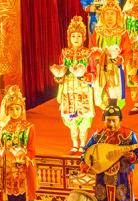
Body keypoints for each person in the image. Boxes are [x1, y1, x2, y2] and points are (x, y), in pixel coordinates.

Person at [80, 104, 138, 201]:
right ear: (104, 120)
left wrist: (132, 156)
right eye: (108, 120)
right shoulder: (98, 135)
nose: (111, 124)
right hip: (102, 176)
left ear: (120, 120)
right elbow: (85, 152)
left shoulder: (128, 135)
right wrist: (85, 165)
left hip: (122, 176)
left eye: (114, 120)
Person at [0, 85, 37, 201]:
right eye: (11, 109)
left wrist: (23, 158)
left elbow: (32, 149)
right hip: (8, 169)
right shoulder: (3, 129)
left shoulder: (29, 127)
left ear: (22, 109)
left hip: (24, 168)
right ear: (7, 110)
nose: (15, 112)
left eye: (17, 108)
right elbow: (2, 147)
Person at [51, 16, 96, 154]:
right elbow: (61, 70)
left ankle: (83, 144)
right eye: (73, 36)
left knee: (83, 118)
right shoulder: (65, 53)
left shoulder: (88, 53)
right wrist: (59, 75)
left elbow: (93, 72)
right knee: (71, 118)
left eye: (78, 36)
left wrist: (84, 76)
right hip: (68, 90)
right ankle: (74, 143)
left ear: (83, 37)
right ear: (69, 38)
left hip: (82, 90)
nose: (75, 38)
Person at [89, 0, 131, 109]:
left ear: (118, 16)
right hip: (101, 70)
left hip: (116, 70)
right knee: (101, 96)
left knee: (115, 96)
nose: (109, 17)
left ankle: (115, 121)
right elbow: (91, 49)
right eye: (107, 13)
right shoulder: (97, 32)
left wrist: (120, 59)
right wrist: (97, 57)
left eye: (112, 13)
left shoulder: (122, 32)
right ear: (102, 16)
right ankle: (106, 120)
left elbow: (127, 52)